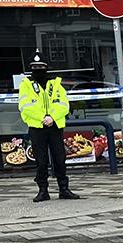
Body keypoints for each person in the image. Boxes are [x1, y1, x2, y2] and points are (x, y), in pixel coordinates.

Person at [18, 50, 80, 202]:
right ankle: (43, 190)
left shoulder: (56, 84)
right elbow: (25, 106)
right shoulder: (26, 85)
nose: (38, 70)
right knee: (41, 160)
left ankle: (63, 189)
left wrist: (52, 117)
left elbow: (63, 104)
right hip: (37, 127)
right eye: (35, 67)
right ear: (31, 68)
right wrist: (42, 118)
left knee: (60, 158)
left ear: (46, 67)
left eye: (41, 67)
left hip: (54, 126)